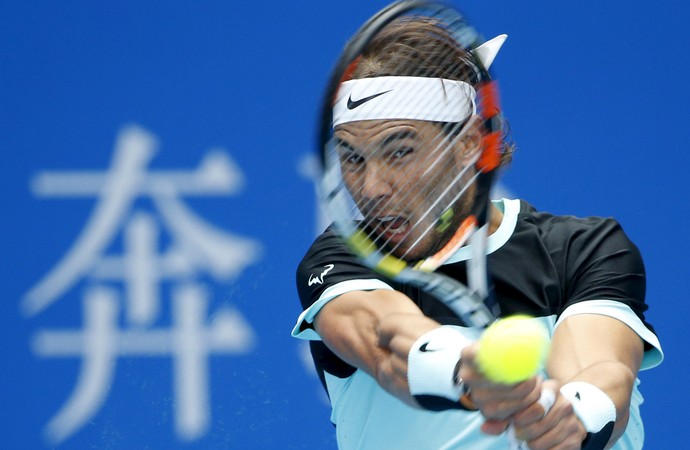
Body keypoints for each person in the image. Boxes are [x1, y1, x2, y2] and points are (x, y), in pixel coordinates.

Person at [292, 13, 663, 450]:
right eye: (353, 158)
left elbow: (603, 368)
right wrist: (459, 370)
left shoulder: (582, 249)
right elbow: (384, 340)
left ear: (469, 142)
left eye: (399, 152)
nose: (371, 187)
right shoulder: (344, 256)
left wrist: (573, 416)